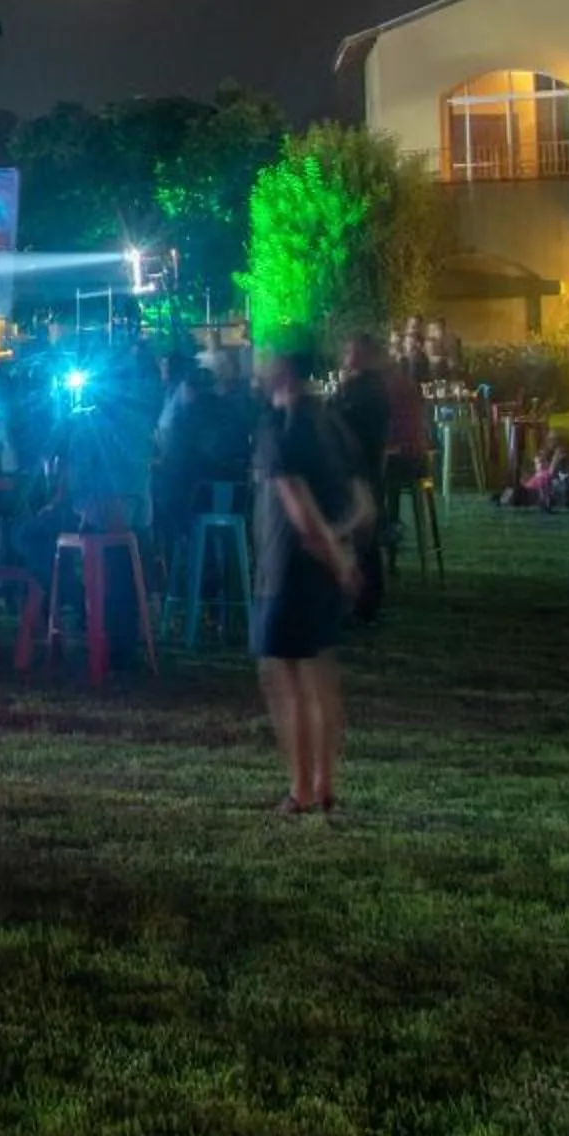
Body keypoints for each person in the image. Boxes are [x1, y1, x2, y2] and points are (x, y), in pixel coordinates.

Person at [252, 349, 366, 815]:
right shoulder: (333, 424)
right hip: (322, 571)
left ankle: (301, 790)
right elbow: (363, 501)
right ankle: (324, 783)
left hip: (288, 568)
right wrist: (343, 553)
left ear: (281, 367)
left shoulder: (281, 430)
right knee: (319, 676)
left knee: (285, 678)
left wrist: (333, 555)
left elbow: (300, 514)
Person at [333, 334, 392, 622]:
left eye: (351, 350)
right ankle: (366, 598)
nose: (347, 354)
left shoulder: (363, 389)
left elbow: (341, 421)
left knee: (361, 535)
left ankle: (362, 600)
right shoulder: (367, 386)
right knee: (364, 537)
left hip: (358, 467)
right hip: (364, 466)